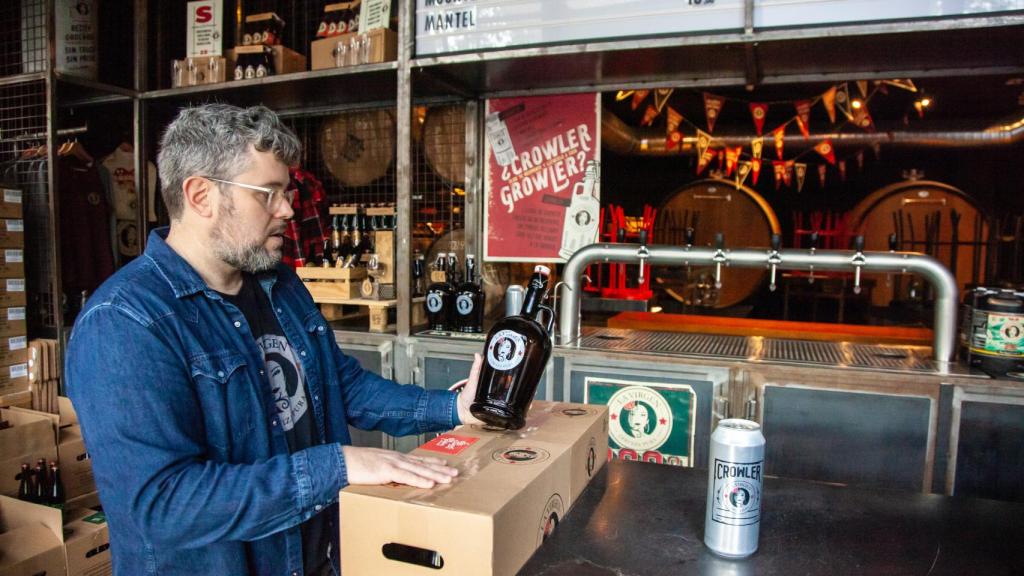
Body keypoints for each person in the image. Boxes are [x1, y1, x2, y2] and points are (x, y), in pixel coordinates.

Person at [66, 104, 483, 576]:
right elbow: (162, 504)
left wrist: (453, 410)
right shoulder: (125, 322)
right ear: (201, 195)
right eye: (268, 193)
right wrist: (335, 467)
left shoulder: (278, 284)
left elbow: (338, 385)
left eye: (287, 192)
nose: (288, 210)